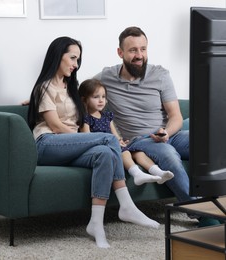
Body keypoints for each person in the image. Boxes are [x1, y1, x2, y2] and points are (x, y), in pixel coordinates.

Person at [28, 36, 160, 249]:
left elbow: (89, 103)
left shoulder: (72, 87)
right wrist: (85, 138)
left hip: (71, 146)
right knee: (108, 139)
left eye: (78, 60)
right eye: (72, 58)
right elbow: (54, 126)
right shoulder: (44, 87)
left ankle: (96, 224)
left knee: (105, 153)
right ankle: (127, 201)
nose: (75, 64)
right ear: (57, 56)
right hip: (48, 144)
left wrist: (83, 137)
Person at [94, 26, 220, 227]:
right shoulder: (106, 77)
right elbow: (77, 94)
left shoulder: (159, 75)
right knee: (169, 155)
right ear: (120, 53)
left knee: (212, 142)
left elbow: (176, 116)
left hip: (168, 134)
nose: (139, 55)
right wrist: (41, 98)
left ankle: (219, 202)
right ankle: (201, 212)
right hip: (138, 141)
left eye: (143, 49)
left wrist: (166, 132)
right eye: (133, 50)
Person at [78, 78, 174, 186]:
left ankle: (158, 173)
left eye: (103, 97)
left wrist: (121, 141)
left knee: (137, 152)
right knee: (124, 151)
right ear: (84, 100)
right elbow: (87, 138)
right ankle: (137, 173)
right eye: (96, 97)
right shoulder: (86, 118)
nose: (101, 100)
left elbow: (115, 134)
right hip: (102, 147)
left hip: (115, 145)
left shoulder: (107, 116)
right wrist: (115, 143)